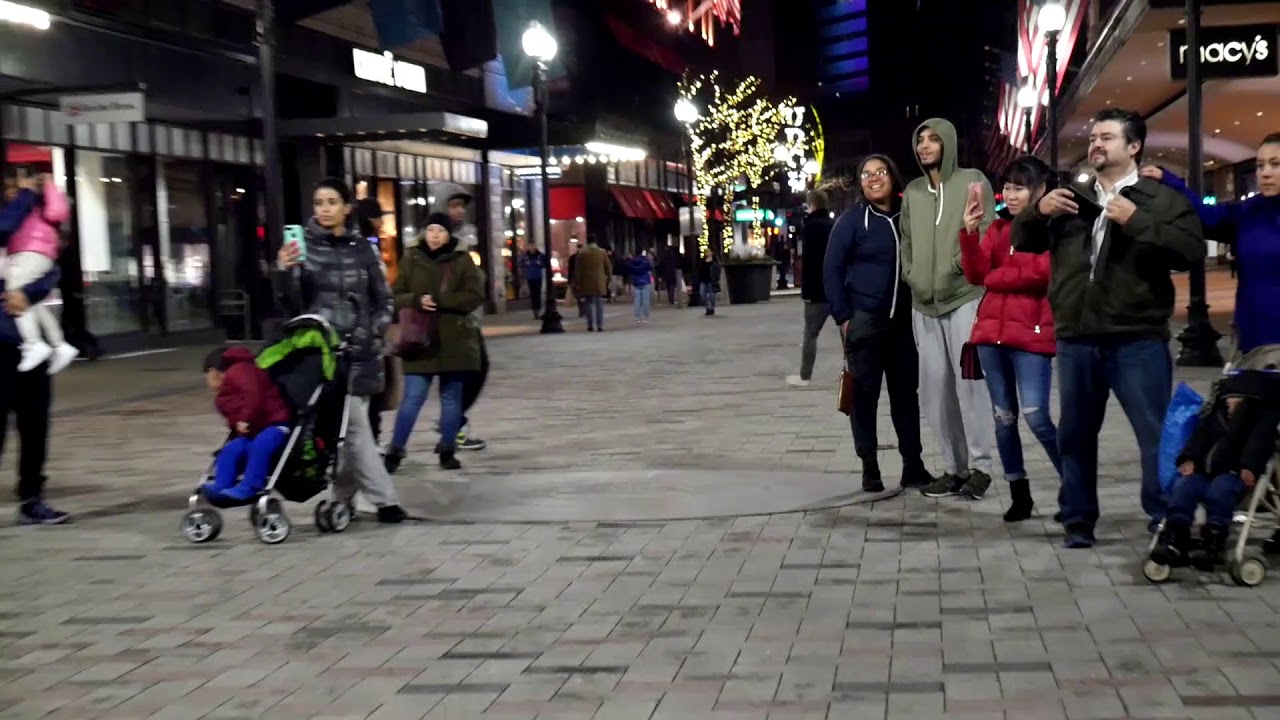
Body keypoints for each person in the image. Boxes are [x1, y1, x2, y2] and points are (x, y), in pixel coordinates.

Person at [1012, 108, 1205, 548]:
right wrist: (1039, 211)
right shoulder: (1068, 195)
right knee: (1076, 434)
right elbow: (1022, 240)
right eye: (1094, 137)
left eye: (1107, 138)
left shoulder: (1159, 198)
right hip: (1077, 335)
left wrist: (1135, 220)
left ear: (1134, 146)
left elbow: (1190, 250)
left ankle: (1163, 515)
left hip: (1136, 336)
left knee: (1154, 434)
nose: (1096, 144)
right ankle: (1078, 518)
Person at [274, 178, 407, 524]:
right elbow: (291, 305)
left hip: (361, 352)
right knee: (355, 430)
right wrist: (284, 272)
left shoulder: (365, 249)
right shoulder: (302, 247)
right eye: (319, 203)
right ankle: (385, 501)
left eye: (332, 202)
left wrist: (374, 329)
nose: (325, 209)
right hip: (323, 354)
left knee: (350, 432)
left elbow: (383, 299)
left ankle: (342, 501)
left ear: (347, 207)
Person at [900, 117, 998, 499]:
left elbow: (987, 230)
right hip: (923, 304)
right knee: (935, 390)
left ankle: (981, 466)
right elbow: (906, 240)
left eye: (933, 139)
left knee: (969, 385)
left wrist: (956, 266)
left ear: (949, 143)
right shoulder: (912, 192)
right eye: (920, 140)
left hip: (963, 299)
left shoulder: (972, 181)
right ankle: (953, 468)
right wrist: (911, 274)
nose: (924, 145)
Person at [958, 156, 1061, 516]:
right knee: (1004, 418)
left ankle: (1075, 486)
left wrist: (994, 278)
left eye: (1020, 188)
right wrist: (969, 235)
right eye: (1009, 188)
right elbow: (975, 274)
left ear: (1040, 190)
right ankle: (1020, 493)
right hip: (990, 335)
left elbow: (1041, 275)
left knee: (1037, 418)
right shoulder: (998, 229)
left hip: (1031, 336)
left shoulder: (1053, 229)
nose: (1011, 195)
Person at [824, 154, 932, 492]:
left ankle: (912, 466)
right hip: (865, 322)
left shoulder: (909, 217)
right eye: (866, 174)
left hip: (904, 324)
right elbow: (832, 269)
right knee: (864, 397)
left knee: (905, 396)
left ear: (893, 177)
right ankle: (869, 466)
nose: (873, 178)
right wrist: (844, 318)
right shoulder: (852, 221)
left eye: (880, 172)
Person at [1141, 133, 1280, 354]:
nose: (1265, 173)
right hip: (1253, 337)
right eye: (1260, 165)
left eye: (1275, 164)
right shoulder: (1249, 210)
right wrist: (1171, 181)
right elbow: (1205, 214)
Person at [385, 213, 485, 472]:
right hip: (419, 340)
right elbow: (396, 296)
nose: (435, 235)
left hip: (456, 340)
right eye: (430, 229)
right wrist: (416, 301)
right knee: (412, 398)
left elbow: (474, 296)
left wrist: (441, 301)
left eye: (440, 230)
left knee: (451, 399)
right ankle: (395, 450)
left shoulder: (463, 260)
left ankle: (447, 450)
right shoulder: (411, 259)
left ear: (449, 233)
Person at [1153, 371, 1280, 570]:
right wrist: (1190, 458)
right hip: (1204, 471)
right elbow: (1199, 438)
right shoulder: (1215, 417)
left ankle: (1213, 541)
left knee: (1220, 491)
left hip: (1234, 473)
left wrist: (1249, 466)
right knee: (1184, 487)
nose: (1229, 404)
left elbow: (1258, 445)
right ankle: (1176, 536)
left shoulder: (1259, 423)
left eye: (1235, 400)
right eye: (1228, 399)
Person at [0, 263, 67, 525]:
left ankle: (32, 499)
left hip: (32, 349)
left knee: (35, 427)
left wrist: (26, 292)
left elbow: (50, 269)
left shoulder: (27, 230)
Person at [2, 175, 78, 374]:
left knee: (14, 295)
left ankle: (34, 343)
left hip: (29, 253)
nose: (10, 194)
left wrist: (39, 188)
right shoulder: (33, 211)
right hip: (32, 255)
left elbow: (56, 211)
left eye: (14, 190)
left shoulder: (32, 206)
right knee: (30, 301)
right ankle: (59, 344)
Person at [201, 346, 292, 502]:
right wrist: (238, 424)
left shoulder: (241, 372)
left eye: (206, 376)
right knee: (230, 449)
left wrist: (245, 419)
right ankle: (221, 484)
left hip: (275, 424)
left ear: (213, 372)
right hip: (252, 431)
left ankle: (252, 485)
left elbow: (254, 396)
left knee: (260, 444)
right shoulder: (224, 395)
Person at [788, 189, 835, 388]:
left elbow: (808, 263)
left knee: (810, 334)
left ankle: (804, 376)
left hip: (816, 291)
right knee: (848, 334)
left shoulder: (809, 228)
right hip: (838, 289)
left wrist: (805, 291)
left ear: (812, 205)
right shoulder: (835, 225)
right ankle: (856, 373)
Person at [572, 236, 611, 331]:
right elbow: (608, 268)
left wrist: (577, 282)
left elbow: (578, 269)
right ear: (596, 241)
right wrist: (608, 280)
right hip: (599, 281)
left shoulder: (582, 253)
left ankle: (590, 325)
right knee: (599, 303)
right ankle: (600, 325)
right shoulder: (602, 252)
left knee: (588, 303)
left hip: (586, 281)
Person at [519, 240, 545, 319]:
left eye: (533, 246)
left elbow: (544, 264)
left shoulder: (540, 255)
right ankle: (535, 311)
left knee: (538, 294)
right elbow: (520, 264)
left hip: (538, 277)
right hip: (530, 277)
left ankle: (538, 310)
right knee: (533, 295)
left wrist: (539, 264)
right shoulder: (525, 256)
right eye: (530, 246)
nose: (531, 248)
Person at [630, 250, 654, 323]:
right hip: (645, 281)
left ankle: (638, 317)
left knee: (637, 301)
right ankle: (646, 317)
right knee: (645, 300)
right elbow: (650, 268)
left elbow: (630, 270)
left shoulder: (632, 261)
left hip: (636, 282)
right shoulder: (645, 260)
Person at [696, 248, 720, 316]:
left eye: (709, 251)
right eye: (706, 252)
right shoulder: (702, 261)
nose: (708, 253)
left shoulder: (714, 261)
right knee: (703, 295)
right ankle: (707, 308)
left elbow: (718, 270)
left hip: (711, 280)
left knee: (711, 296)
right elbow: (699, 270)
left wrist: (716, 278)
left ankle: (711, 308)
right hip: (703, 280)